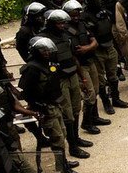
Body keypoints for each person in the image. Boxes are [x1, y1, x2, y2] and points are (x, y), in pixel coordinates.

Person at [18, 37, 82, 173]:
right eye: (43, 50)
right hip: (45, 108)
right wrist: (38, 108)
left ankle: (63, 161)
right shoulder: (32, 69)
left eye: (48, 50)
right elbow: (26, 92)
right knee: (57, 138)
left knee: (63, 133)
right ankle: (63, 168)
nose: (46, 53)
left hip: (55, 104)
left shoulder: (49, 64)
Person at [39, 10, 93, 159]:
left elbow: (73, 56)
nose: (62, 25)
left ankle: (76, 138)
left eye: (63, 22)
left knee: (76, 109)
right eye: (59, 23)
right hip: (60, 80)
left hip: (73, 75)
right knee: (68, 114)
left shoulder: (66, 35)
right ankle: (73, 147)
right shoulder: (44, 39)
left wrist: (82, 76)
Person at [63, 0, 109, 136]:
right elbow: (73, 54)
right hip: (80, 65)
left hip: (90, 60)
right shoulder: (66, 31)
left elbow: (94, 41)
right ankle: (86, 122)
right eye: (72, 14)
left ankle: (94, 117)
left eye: (77, 13)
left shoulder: (82, 24)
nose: (76, 16)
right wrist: (81, 75)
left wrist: (87, 48)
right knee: (89, 93)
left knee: (96, 90)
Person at [83, 0, 128, 115]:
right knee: (101, 80)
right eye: (98, 1)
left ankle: (115, 98)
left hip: (110, 46)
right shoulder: (85, 16)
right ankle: (106, 103)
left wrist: (118, 50)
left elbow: (110, 29)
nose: (101, 3)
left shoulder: (104, 12)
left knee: (113, 76)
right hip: (97, 51)